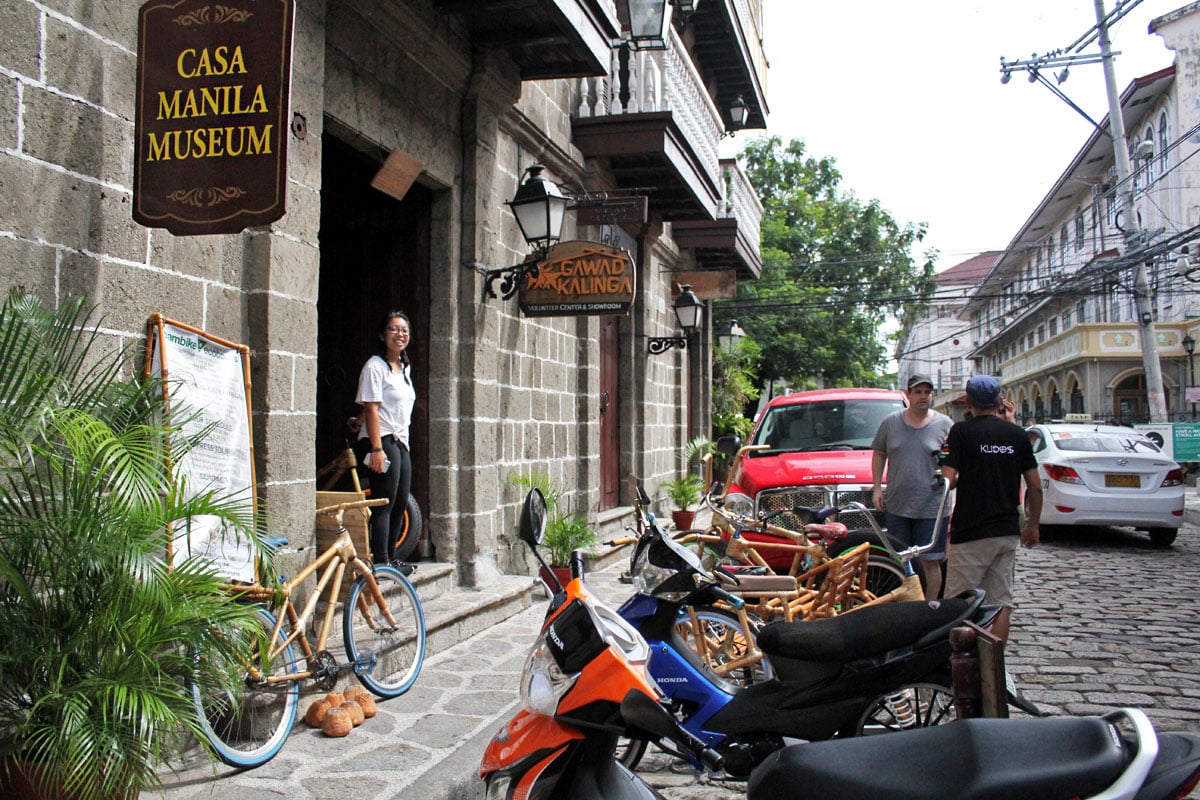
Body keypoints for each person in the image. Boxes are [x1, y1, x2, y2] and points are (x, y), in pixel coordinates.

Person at [940, 375, 1042, 642]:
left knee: (959, 603)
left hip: (970, 531)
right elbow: (1035, 486)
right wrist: (1032, 525)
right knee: (1000, 603)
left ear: (969, 401)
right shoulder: (1017, 434)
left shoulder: (962, 432)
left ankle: (960, 666)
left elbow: (947, 479)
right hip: (1006, 531)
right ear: (999, 400)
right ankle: (995, 666)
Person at [870, 374, 954, 599]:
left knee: (931, 562)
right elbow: (879, 454)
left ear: (933, 395)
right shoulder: (890, 422)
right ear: (908, 395)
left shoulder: (945, 425)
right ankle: (902, 608)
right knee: (899, 561)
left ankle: (929, 608)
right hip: (898, 505)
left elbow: (955, 462)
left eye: (927, 392)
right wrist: (877, 487)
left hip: (932, 507)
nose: (923, 397)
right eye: (918, 392)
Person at [356, 311, 418, 572]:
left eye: (404, 330)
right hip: (382, 439)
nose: (400, 334)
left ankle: (392, 557)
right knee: (385, 501)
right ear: (383, 335)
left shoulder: (404, 368)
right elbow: (372, 408)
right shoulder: (374, 366)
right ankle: (381, 560)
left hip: (401, 440)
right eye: (393, 329)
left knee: (401, 501)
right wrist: (377, 448)